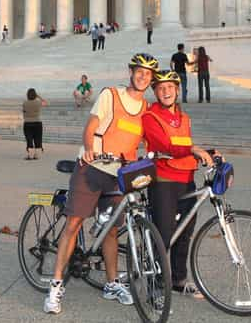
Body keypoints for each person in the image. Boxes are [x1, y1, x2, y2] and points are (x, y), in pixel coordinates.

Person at [44, 52, 159, 315]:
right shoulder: (111, 95)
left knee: (110, 229)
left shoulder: (146, 109)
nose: (143, 76)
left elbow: (149, 139)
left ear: (151, 79)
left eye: (148, 73)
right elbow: (92, 124)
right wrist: (88, 148)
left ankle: (112, 283)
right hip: (93, 167)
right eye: (139, 71)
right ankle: (56, 285)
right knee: (73, 224)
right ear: (131, 72)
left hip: (120, 174)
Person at [143, 69, 217, 300]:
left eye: (170, 87)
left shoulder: (184, 118)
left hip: (186, 180)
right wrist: (194, 149)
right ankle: (155, 283)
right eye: (161, 88)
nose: (166, 92)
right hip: (163, 181)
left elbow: (184, 146)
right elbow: (166, 145)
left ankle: (178, 280)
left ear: (177, 90)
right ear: (155, 92)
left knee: (185, 233)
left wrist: (211, 153)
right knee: (163, 235)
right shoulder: (150, 116)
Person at [23, 88, 48, 160]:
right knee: (38, 139)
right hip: (37, 123)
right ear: (35, 95)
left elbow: (24, 111)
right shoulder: (38, 102)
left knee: (29, 139)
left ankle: (30, 155)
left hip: (27, 123)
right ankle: (37, 155)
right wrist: (39, 96)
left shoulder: (25, 103)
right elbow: (45, 102)